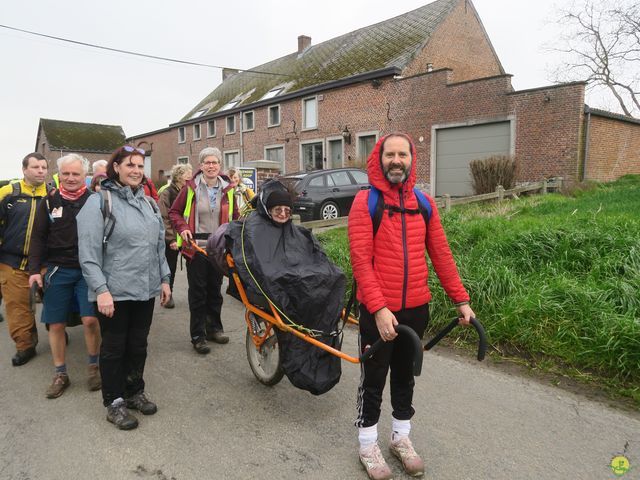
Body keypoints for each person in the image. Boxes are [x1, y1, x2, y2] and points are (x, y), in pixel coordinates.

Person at [348, 133, 475, 480]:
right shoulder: (366, 203)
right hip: (379, 310)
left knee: (405, 375)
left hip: (416, 308)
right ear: (379, 158)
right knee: (373, 378)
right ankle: (367, 444)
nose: (396, 160)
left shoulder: (424, 202)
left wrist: (460, 299)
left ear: (411, 159)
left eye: (402, 154)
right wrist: (377, 307)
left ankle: (400, 439)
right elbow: (361, 262)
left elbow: (442, 255)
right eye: (390, 154)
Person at [77, 145, 171, 430]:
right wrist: (101, 290)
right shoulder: (98, 203)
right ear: (115, 167)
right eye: (130, 165)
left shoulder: (148, 203)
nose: (136, 171)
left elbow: (158, 247)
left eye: (140, 167)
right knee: (114, 348)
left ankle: (134, 391)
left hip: (144, 289)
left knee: (138, 345)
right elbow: (89, 254)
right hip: (113, 293)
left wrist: (165, 279)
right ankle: (114, 401)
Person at [28, 154, 101, 398]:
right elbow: (37, 238)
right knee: (56, 323)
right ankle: (61, 373)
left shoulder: (95, 201)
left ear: (84, 176)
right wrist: (34, 271)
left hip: (88, 270)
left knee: (91, 320)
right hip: (57, 270)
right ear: (59, 175)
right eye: (66, 174)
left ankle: (94, 367)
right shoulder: (48, 202)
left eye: (76, 174)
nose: (70, 178)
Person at [169, 147, 239, 354]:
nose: (211, 166)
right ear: (201, 166)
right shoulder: (191, 188)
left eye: (214, 162)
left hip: (218, 248)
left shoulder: (229, 188)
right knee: (198, 293)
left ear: (220, 165)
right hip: (196, 248)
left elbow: (235, 217)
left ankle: (214, 329)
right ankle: (198, 335)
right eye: (207, 162)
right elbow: (175, 212)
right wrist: (183, 230)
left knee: (215, 291)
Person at [0, 152, 49, 366]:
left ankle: (55, 330)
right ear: (24, 170)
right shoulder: (8, 193)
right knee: (18, 306)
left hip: (46, 263)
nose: (40, 171)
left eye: (44, 167)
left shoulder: (53, 194)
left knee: (55, 302)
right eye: (35, 167)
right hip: (12, 261)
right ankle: (25, 345)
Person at [158, 163, 193, 308]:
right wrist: (171, 238)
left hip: (186, 237)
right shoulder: (167, 192)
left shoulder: (190, 191)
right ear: (179, 177)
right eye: (187, 175)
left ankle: (195, 296)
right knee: (169, 268)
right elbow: (164, 216)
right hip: (172, 238)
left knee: (192, 266)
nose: (190, 177)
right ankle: (167, 295)